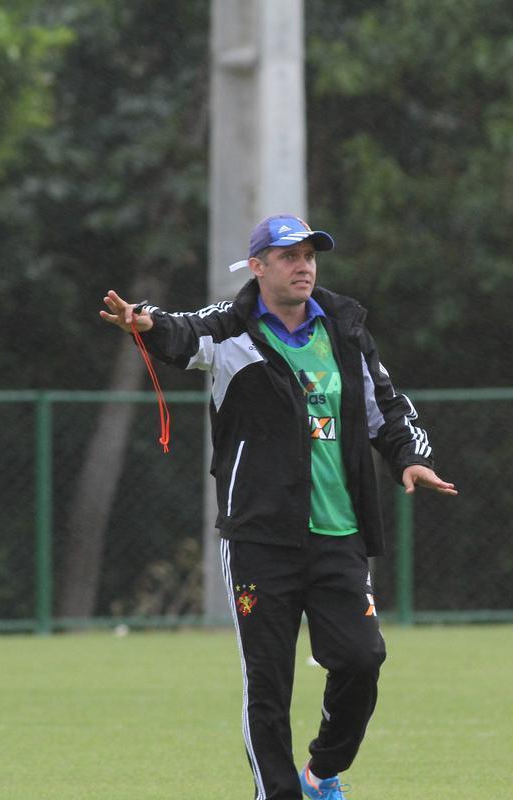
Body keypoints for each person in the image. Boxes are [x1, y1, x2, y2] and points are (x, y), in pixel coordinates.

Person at [100, 214, 457, 800]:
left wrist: (409, 459)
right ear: (258, 267)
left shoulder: (344, 329)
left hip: (338, 532)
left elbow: (387, 409)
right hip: (259, 540)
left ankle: (322, 772)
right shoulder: (230, 329)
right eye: (289, 256)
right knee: (268, 687)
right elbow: (181, 332)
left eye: (311, 255)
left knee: (363, 659)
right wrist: (143, 322)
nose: (304, 266)